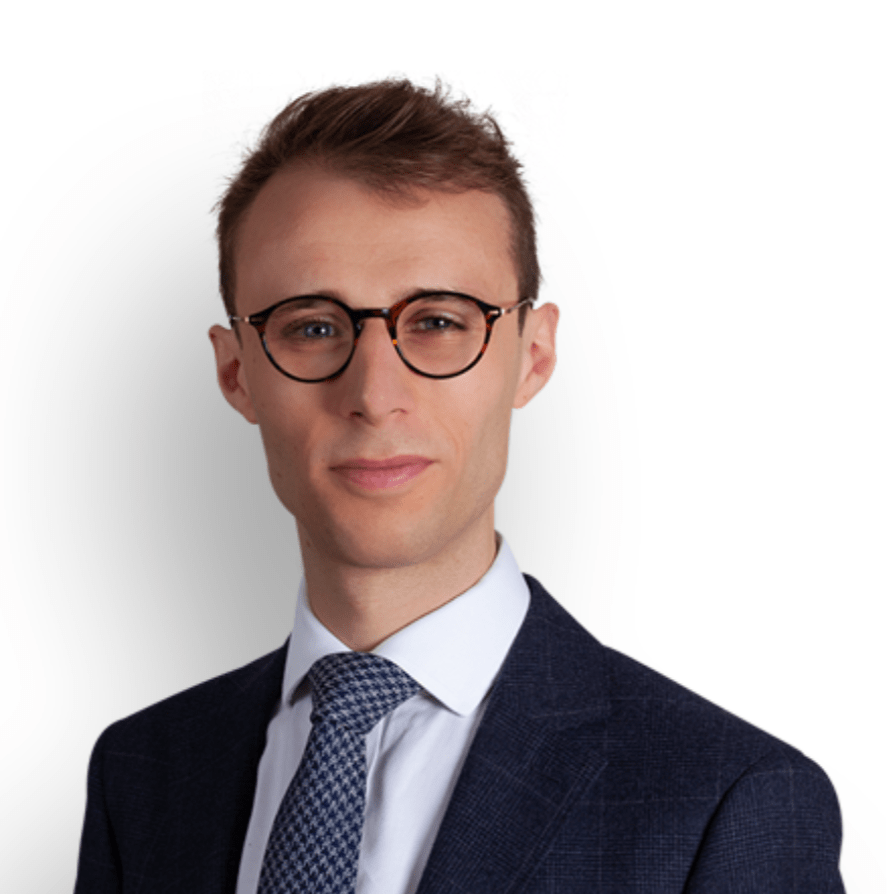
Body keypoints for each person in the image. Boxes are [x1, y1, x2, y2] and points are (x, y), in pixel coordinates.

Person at [74, 80, 845, 894]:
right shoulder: (143, 772)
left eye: (438, 322)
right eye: (313, 327)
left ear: (533, 355)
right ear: (236, 373)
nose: (374, 395)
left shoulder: (728, 802)